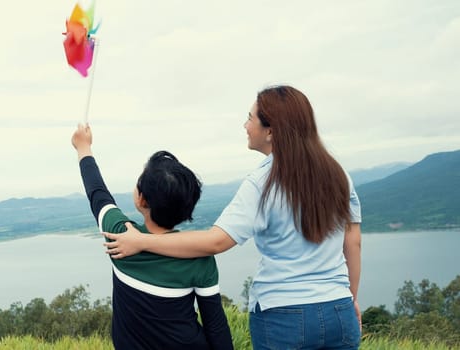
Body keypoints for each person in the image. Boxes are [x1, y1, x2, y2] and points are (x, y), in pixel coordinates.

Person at [103, 85, 363, 349]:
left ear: (270, 131)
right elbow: (352, 240)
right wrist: (349, 298)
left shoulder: (262, 183)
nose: (245, 125)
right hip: (339, 311)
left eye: (250, 118)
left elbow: (216, 242)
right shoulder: (338, 174)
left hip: (284, 316)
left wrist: (142, 242)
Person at [71, 123, 233, 349]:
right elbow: (215, 326)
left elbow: (97, 193)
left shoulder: (121, 238)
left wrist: (83, 148)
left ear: (142, 200)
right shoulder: (199, 258)